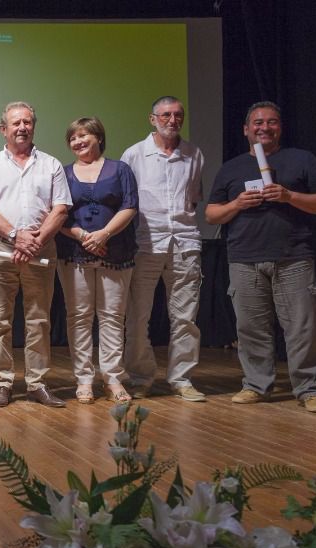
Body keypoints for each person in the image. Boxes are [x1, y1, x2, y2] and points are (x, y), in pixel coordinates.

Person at [205, 101, 316, 414]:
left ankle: (310, 388)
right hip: (244, 258)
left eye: (271, 122)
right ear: (246, 129)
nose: (264, 128)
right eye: (258, 123)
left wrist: (290, 196)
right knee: (251, 329)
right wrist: (237, 204)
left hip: (293, 256)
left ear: (280, 128)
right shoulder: (231, 168)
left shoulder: (302, 160)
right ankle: (256, 385)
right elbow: (211, 214)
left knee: (302, 329)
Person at [0, 101, 71, 408]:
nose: (22, 128)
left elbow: (61, 208)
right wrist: (17, 236)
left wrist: (35, 241)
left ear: (33, 127)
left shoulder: (51, 164)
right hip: (0, 248)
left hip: (41, 247)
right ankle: (3, 383)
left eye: (27, 122)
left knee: (39, 319)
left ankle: (37, 383)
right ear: (3, 129)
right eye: (16, 123)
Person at [120, 96, 206, 402]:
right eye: (166, 115)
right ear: (152, 119)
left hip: (185, 242)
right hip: (145, 244)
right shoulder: (134, 154)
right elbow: (127, 202)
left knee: (185, 318)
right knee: (137, 316)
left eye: (178, 115)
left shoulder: (194, 154)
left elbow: (193, 197)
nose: (173, 120)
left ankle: (181, 379)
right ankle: (139, 378)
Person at [56, 117, 138, 405]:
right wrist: (82, 236)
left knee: (112, 317)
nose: (78, 141)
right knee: (78, 317)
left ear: (99, 137)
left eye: (84, 135)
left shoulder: (120, 169)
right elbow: (57, 212)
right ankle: (84, 379)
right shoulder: (63, 173)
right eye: (73, 138)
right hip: (74, 252)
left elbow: (130, 206)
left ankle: (112, 378)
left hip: (115, 252)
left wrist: (104, 235)